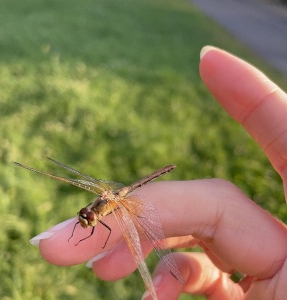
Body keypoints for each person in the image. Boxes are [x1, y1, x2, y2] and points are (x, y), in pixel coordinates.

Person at [30, 46, 287, 299]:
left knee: (117, 233)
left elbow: (107, 230)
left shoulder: (109, 211)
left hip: (122, 196)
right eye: (87, 217)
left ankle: (166, 169)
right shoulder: (94, 205)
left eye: (86, 217)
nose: (86, 219)